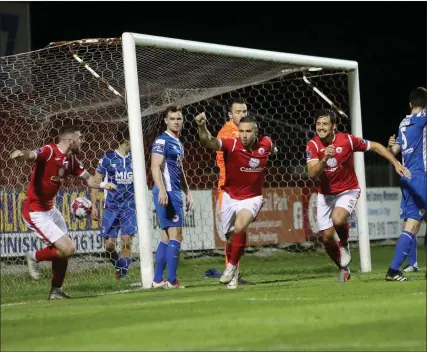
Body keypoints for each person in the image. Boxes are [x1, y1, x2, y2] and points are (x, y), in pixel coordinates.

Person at [10, 124, 116, 300]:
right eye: (80, 137)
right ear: (70, 140)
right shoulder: (50, 151)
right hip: (35, 211)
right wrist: (22, 154)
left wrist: (104, 185)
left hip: (50, 209)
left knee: (63, 251)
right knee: (68, 248)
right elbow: (33, 155)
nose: (82, 140)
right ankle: (33, 256)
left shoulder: (72, 161)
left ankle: (56, 291)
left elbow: (89, 179)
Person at [305, 109, 410, 282]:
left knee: (338, 219)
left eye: (325, 124)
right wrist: (324, 159)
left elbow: (375, 146)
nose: (321, 127)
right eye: (318, 124)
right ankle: (343, 268)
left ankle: (345, 244)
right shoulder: (313, 145)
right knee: (326, 238)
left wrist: (395, 163)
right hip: (325, 194)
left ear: (333, 126)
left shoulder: (347, 140)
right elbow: (311, 173)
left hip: (348, 189)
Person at [195, 111, 276, 287]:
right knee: (230, 238)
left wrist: (273, 151)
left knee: (241, 226)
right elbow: (208, 141)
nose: (244, 135)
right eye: (242, 131)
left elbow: (272, 148)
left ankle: (231, 267)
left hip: (252, 198)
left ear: (256, 132)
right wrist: (202, 126)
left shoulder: (266, 143)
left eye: (248, 131)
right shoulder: (231, 145)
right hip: (230, 197)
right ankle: (234, 270)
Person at [385, 87, 427, 281]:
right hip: (421, 176)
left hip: (407, 178)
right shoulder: (422, 118)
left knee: (413, 224)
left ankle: (397, 269)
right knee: (413, 224)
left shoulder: (403, 123)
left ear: (410, 104)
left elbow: (392, 151)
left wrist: (388, 145)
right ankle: (394, 270)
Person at [151, 105, 193, 289]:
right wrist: (161, 190)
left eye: (179, 118)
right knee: (177, 234)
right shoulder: (162, 141)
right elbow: (155, 166)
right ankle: (172, 280)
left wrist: (188, 191)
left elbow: (180, 170)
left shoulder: (178, 142)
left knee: (167, 236)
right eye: (173, 119)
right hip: (166, 192)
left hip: (174, 192)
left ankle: (158, 279)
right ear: (166, 121)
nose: (176, 122)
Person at [90, 126, 135, 280]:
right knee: (109, 246)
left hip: (129, 206)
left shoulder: (135, 159)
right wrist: (94, 205)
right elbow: (95, 182)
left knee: (126, 242)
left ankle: (122, 277)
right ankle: (119, 265)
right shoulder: (107, 159)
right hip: (111, 207)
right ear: (128, 140)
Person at [215, 98, 247, 289]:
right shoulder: (225, 134)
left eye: (244, 111)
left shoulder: (247, 131)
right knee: (230, 234)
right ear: (230, 115)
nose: (242, 115)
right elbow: (223, 163)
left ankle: (233, 272)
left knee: (239, 231)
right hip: (227, 188)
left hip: (244, 189)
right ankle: (231, 271)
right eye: (238, 112)